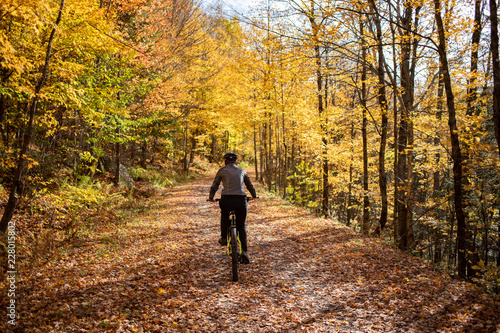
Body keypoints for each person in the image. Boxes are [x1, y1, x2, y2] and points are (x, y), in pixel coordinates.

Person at [208, 152, 257, 264]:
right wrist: (254, 196)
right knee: (241, 225)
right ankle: (244, 251)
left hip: (226, 199)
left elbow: (215, 185)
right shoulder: (242, 171)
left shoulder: (222, 170)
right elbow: (249, 185)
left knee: (225, 214)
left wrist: (211, 197)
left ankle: (224, 237)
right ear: (235, 161)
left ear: (225, 161)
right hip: (241, 200)